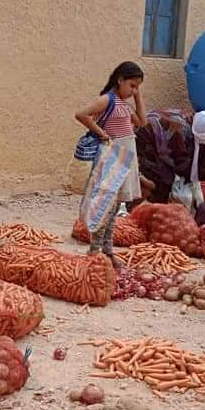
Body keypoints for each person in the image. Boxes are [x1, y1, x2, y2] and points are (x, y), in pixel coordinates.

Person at [74, 61, 146, 265]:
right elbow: (81, 114)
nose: (133, 91)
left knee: (114, 207)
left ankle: (107, 249)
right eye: (132, 86)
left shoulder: (124, 104)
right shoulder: (108, 100)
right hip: (113, 157)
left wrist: (138, 96)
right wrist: (102, 134)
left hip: (125, 158)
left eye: (137, 87)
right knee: (105, 205)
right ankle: (95, 250)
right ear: (120, 80)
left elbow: (142, 121)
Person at [135, 109, 205, 205]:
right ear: (203, 135)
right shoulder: (180, 131)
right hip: (142, 148)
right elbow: (180, 165)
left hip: (149, 146)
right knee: (166, 180)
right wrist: (202, 171)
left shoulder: (194, 121)